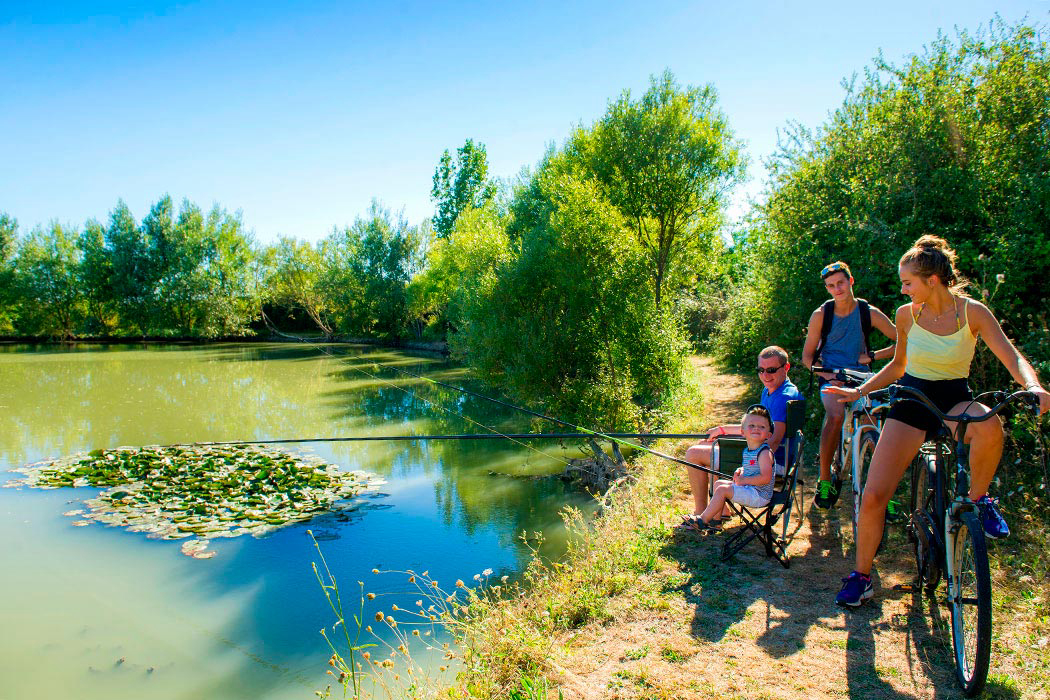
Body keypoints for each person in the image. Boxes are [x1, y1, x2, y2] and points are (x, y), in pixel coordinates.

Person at [826, 235, 1050, 607]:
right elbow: (898, 367)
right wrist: (859, 391)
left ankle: (977, 500)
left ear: (932, 280)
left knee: (990, 426)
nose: (902, 288)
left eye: (908, 282)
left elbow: (1010, 356)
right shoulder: (906, 314)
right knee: (875, 495)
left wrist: (1033, 385)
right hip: (913, 400)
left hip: (954, 398)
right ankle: (862, 576)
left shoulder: (972, 312)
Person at [801, 261, 897, 509]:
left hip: (863, 376)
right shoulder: (822, 315)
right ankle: (824, 481)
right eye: (831, 286)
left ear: (851, 281)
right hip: (832, 375)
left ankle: (883, 492)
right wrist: (825, 376)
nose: (837, 289)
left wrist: (874, 356)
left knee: (875, 427)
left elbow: (904, 342)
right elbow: (807, 357)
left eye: (840, 283)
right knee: (834, 416)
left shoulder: (868, 312)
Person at [680, 346, 804, 528]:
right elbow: (757, 428)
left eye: (771, 370)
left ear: (786, 368)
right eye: (761, 370)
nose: (765, 375)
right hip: (766, 455)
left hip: (770, 462)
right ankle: (720, 511)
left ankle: (702, 514)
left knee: (693, 454)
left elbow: (773, 441)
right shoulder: (770, 390)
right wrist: (722, 430)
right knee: (706, 443)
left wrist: (741, 449)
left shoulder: (783, 397)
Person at [691, 405, 775, 530]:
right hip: (750, 490)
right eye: (751, 426)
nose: (756, 428)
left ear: (768, 435)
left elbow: (766, 478)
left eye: (762, 427)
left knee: (722, 490)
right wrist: (742, 470)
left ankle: (702, 521)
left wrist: (743, 480)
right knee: (719, 484)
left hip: (759, 495)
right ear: (742, 432)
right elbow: (752, 467)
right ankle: (716, 521)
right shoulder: (749, 450)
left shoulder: (764, 453)